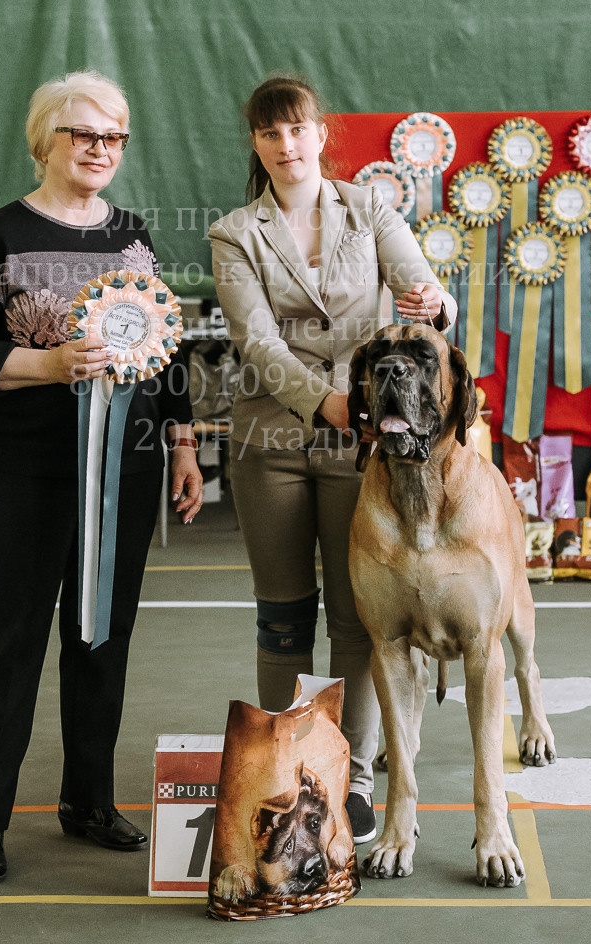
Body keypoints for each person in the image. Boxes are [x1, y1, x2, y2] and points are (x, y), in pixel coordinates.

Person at [0, 70, 202, 883]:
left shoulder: (133, 234)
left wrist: (185, 442)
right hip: (27, 470)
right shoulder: (0, 234)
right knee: (10, 641)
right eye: (84, 134)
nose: (100, 149)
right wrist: (48, 363)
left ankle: (87, 800)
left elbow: (167, 347)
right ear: (45, 139)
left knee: (101, 636)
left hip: (126, 470)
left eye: (114, 136)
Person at [208, 75, 456, 845]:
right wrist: (330, 404)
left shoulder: (371, 208)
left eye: (297, 130)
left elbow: (423, 290)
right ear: (257, 143)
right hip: (274, 441)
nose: (286, 145)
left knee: (358, 616)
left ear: (321, 135)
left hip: (363, 445)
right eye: (269, 133)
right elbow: (257, 343)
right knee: (284, 615)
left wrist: (435, 303)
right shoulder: (232, 233)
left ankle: (349, 771)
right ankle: (285, 763)